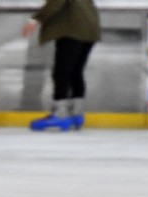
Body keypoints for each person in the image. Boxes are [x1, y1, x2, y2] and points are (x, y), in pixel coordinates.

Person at [22, 0, 100, 131]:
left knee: (61, 72)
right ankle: (76, 113)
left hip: (72, 30)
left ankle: (61, 114)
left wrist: (35, 20)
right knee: (75, 71)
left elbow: (56, 2)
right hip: (90, 29)